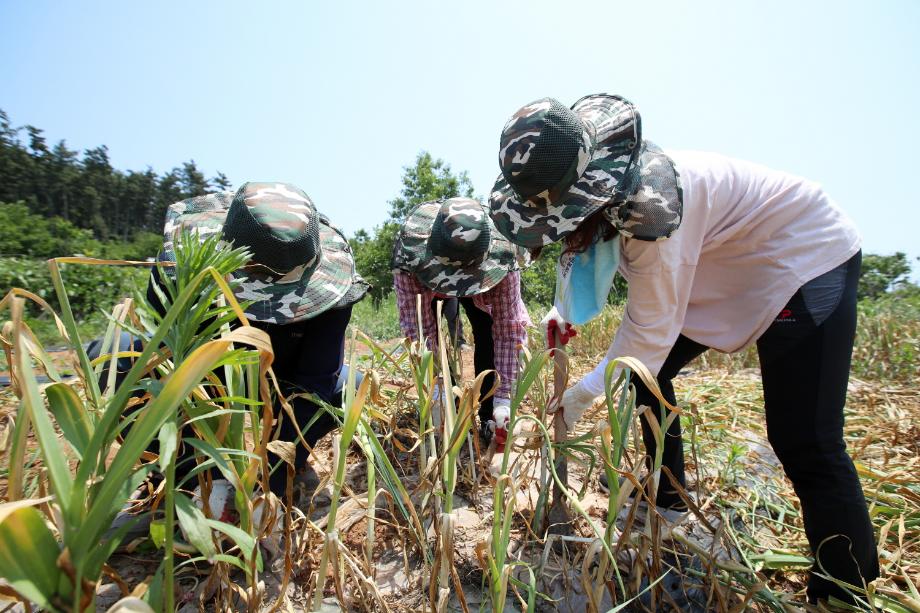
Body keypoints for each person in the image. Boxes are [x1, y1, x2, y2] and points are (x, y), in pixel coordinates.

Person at [488, 94, 878, 604]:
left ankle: (845, 586)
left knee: (805, 437)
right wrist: (561, 310)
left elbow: (645, 340)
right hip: (724, 268)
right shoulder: (596, 190)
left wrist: (579, 399)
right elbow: (587, 258)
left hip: (799, 259)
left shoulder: (653, 211)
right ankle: (668, 501)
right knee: (650, 378)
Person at [117, 182, 368, 504]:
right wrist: (206, 479)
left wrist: (269, 483)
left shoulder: (334, 296)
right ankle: (174, 480)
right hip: (202, 374)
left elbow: (316, 385)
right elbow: (167, 360)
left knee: (349, 388)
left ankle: (292, 466)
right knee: (121, 358)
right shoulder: (179, 270)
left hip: (281, 374)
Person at [391, 197, 531, 444]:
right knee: (433, 362)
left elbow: (509, 329)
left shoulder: (504, 260)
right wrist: (435, 393)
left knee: (488, 335)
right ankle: (450, 409)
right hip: (429, 286)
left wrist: (504, 399)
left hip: (482, 289)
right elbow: (419, 333)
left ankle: (490, 416)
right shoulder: (409, 259)